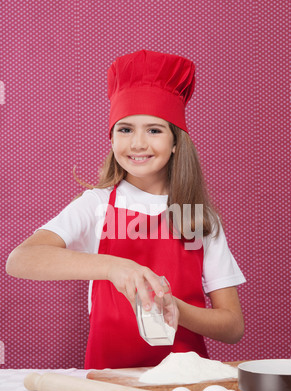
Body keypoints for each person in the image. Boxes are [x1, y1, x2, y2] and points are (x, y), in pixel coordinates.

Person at [6, 49, 246, 369]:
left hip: (187, 384)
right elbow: (21, 260)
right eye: (126, 129)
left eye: (154, 130)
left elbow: (233, 327)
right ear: (112, 137)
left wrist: (175, 309)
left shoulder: (198, 218)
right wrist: (112, 267)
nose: (137, 144)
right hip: (110, 382)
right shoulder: (97, 205)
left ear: (176, 141)